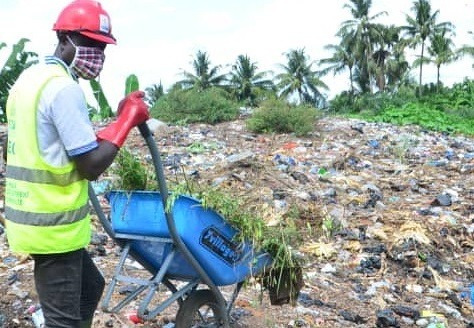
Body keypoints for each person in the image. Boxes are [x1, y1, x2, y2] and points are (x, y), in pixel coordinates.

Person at [3, 0, 149, 327]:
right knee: (62, 321)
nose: (99, 55)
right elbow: (91, 166)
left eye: (103, 48)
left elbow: (50, 142)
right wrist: (126, 122)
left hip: (31, 219)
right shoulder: (63, 89)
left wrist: (115, 122)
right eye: (93, 44)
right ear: (66, 38)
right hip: (54, 228)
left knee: (90, 287)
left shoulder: (30, 80)